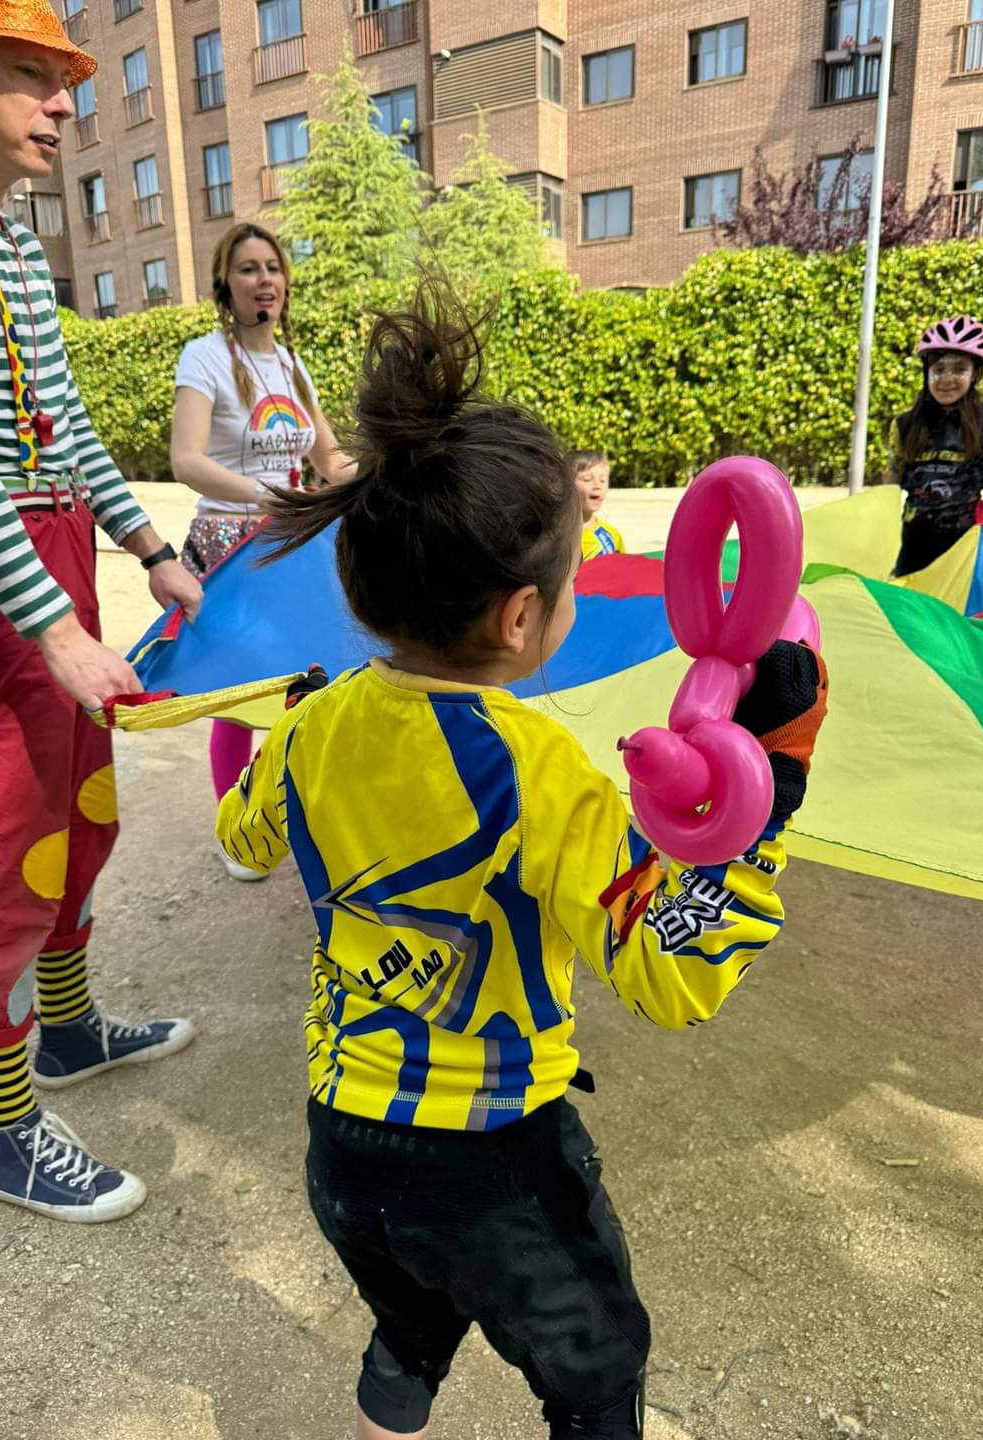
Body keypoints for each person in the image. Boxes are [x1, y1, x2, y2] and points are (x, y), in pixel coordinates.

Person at [215, 283, 828, 1440]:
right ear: (519, 618)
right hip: (494, 1166)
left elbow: (241, 833)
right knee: (597, 1376)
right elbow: (672, 974)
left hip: (340, 1151)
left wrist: (296, 722)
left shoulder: (308, 729)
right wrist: (771, 800)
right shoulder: (537, 767)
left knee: (409, 1322)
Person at [0, 2, 204, 1222]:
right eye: (34, 74)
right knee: (1, 848)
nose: (63, 102)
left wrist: (149, 545)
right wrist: (51, 626)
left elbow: (69, 427)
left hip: (55, 554)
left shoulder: (15, 248)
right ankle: (3, 1132)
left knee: (81, 815)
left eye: (67, 79)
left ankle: (71, 1028)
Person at [170, 221, 355, 880]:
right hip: (227, 542)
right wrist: (264, 496)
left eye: (272, 267)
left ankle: (300, 809)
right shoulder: (205, 357)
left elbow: (329, 456)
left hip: (292, 540)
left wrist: (384, 479)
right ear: (226, 283)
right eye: (248, 269)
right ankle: (236, 827)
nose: (264, 280)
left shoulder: (292, 365)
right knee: (239, 689)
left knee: (309, 681)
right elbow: (185, 459)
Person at [889, 314, 983, 578]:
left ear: (975, 373)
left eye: (959, 369)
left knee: (955, 615)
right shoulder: (904, 425)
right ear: (927, 373)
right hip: (913, 545)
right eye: (938, 369)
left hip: (963, 544)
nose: (946, 378)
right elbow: (889, 484)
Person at [569, 449, 626, 561]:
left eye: (603, 480)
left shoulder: (611, 535)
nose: (597, 485)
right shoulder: (556, 536)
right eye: (587, 479)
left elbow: (623, 572)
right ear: (567, 485)